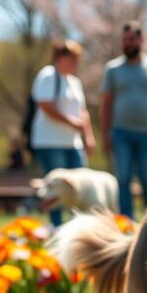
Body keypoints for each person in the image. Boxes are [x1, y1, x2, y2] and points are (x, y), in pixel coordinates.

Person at [100, 21, 147, 219]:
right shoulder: (112, 69)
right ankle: (127, 222)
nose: (128, 43)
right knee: (123, 179)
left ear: (141, 40)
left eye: (131, 39)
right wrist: (106, 133)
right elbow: (106, 103)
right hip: (121, 132)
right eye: (124, 40)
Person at [30, 39, 96, 226]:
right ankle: (56, 227)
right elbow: (45, 105)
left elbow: (83, 112)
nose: (76, 63)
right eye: (73, 58)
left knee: (80, 185)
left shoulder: (74, 82)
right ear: (60, 58)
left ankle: (79, 226)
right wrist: (70, 121)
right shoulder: (48, 75)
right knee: (56, 188)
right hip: (50, 142)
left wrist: (88, 136)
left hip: (72, 142)